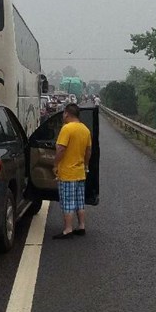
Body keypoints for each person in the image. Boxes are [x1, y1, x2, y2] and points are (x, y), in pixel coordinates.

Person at [52, 102, 92, 239]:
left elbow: (61, 148)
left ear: (67, 114)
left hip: (67, 173)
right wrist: (85, 165)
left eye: (64, 113)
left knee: (68, 201)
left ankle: (68, 229)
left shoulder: (67, 129)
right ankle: (81, 226)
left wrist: (55, 164)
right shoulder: (85, 129)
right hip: (80, 172)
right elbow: (88, 151)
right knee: (80, 201)